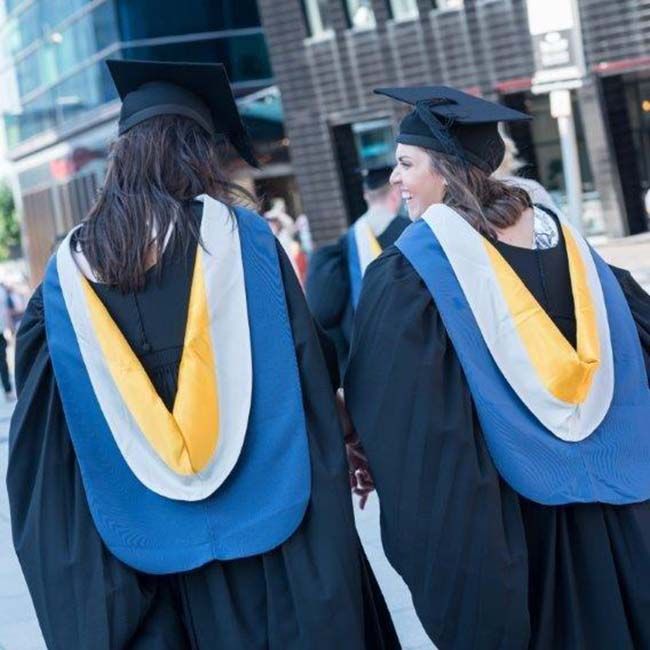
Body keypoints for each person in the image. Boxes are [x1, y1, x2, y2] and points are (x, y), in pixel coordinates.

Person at [7, 59, 399, 650]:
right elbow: (307, 370)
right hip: (272, 556)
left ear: (122, 157)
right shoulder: (245, 246)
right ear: (195, 155)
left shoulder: (65, 280)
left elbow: (44, 451)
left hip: (143, 567)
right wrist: (347, 434)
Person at [344, 85, 650, 649]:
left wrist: (363, 441)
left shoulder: (411, 273)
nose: (395, 179)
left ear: (447, 171)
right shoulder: (575, 249)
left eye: (406, 163)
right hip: (623, 516)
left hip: (516, 528)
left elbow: (408, 413)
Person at [306, 165, 409, 382]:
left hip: (363, 368)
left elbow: (322, 311)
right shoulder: (411, 235)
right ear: (396, 194)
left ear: (365, 196)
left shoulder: (344, 244)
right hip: (411, 358)